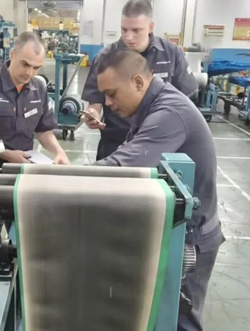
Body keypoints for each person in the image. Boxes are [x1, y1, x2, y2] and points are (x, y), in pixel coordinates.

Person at [93, 49, 223, 331]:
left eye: (112, 94)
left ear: (138, 82)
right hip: (175, 229)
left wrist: (61, 179)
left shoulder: (169, 113)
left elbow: (124, 166)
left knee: (180, 321)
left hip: (191, 237)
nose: (108, 103)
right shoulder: (152, 105)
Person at [82, 0, 199, 160]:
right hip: (115, 144)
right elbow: (95, 103)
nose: (129, 37)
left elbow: (185, 102)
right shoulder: (105, 57)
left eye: (136, 30)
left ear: (151, 27)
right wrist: (92, 114)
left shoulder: (171, 54)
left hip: (159, 145)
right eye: (124, 30)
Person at [0, 31, 69, 164]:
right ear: (12, 54)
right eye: (25, 64)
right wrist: (6, 154)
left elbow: (44, 131)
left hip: (25, 165)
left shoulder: (39, 88)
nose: (29, 73)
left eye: (36, 68)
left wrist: (59, 152)